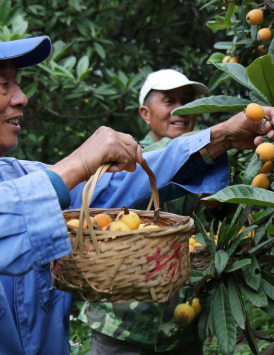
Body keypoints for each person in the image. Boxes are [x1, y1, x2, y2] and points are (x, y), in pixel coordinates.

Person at [0, 21, 274, 355]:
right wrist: (75, 164)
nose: (21, 97)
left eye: (17, 83)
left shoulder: (16, 176)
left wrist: (221, 136)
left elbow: (119, 187)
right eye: (2, 83)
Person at [81, 69, 211, 355]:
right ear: (145, 113)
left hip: (182, 324)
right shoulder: (120, 161)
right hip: (122, 323)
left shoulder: (209, 165)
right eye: (169, 100)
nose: (181, 109)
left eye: (188, 101)